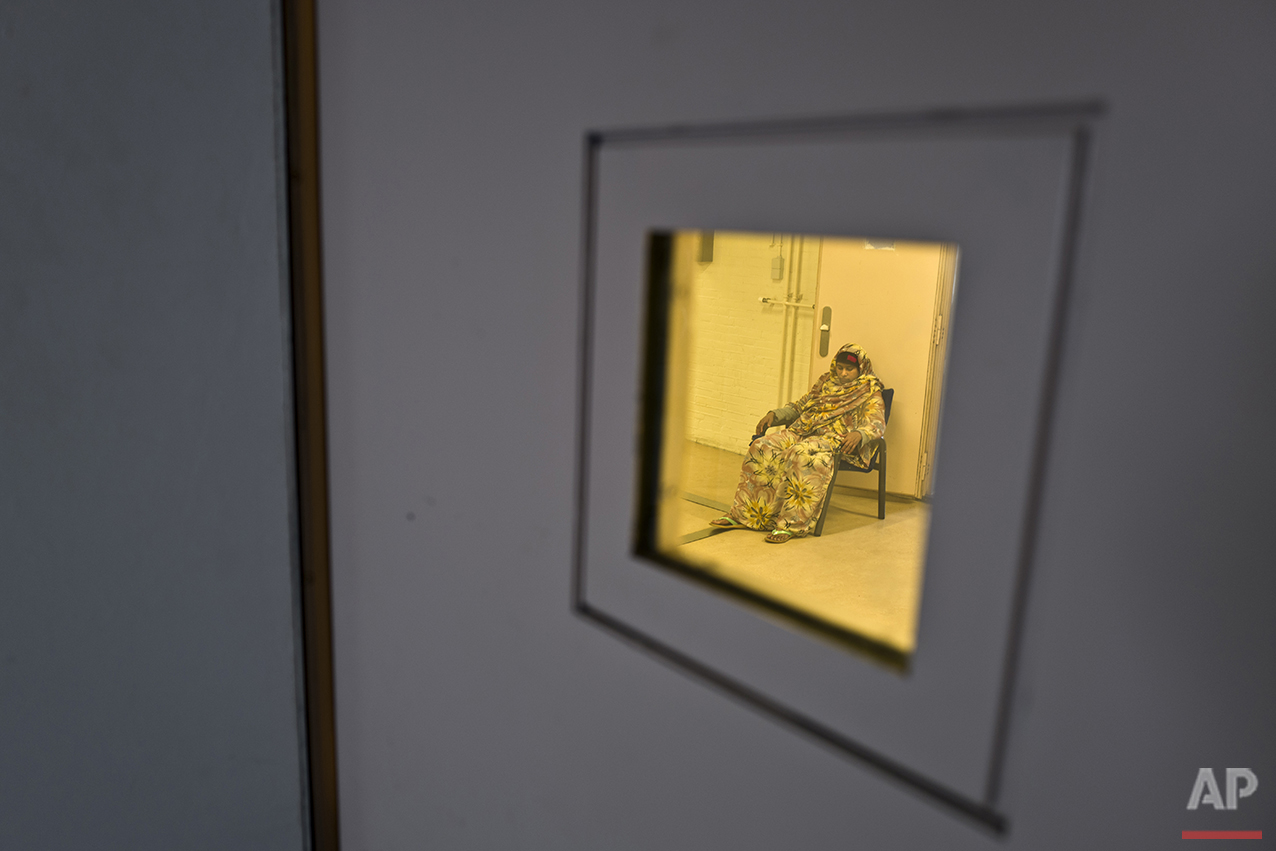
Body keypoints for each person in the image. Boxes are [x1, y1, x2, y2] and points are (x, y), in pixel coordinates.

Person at [709, 343, 886, 543]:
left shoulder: (869, 391)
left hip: (834, 439)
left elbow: (877, 423)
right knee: (762, 446)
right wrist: (774, 415)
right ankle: (745, 515)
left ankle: (791, 525)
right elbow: (801, 406)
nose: (843, 373)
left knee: (802, 455)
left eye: (849, 369)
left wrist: (859, 434)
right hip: (804, 430)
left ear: (860, 369)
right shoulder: (825, 382)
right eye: (840, 368)